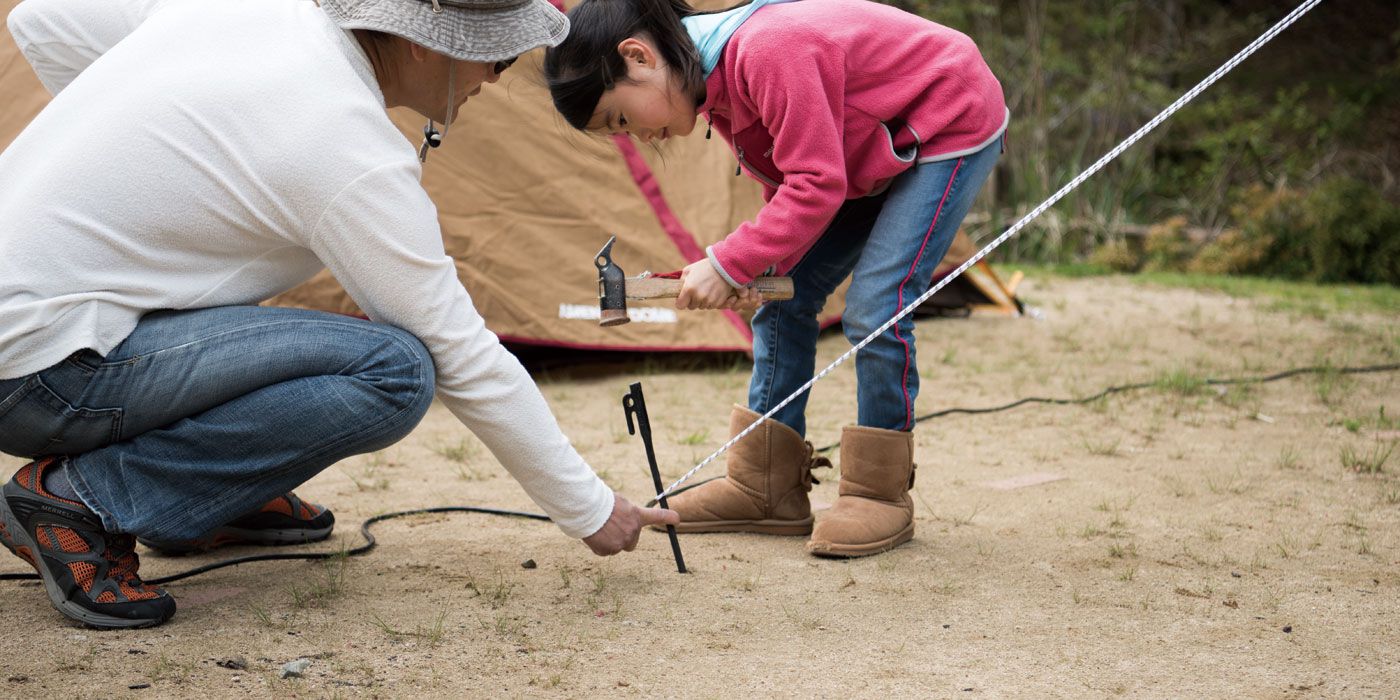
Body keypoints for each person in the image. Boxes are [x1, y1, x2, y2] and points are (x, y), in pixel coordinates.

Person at [0, 0, 677, 630]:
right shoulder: (343, 143)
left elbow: (43, 19)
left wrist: (137, 171)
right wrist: (588, 509)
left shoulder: (254, 14)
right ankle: (83, 500)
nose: (498, 78)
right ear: (419, 44)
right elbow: (461, 353)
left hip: (37, 332)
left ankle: (210, 496)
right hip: (43, 371)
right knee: (397, 371)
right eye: (493, 56)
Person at [544, 0, 1006, 557]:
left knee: (878, 306)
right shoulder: (712, 85)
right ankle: (764, 485)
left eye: (622, 118)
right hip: (865, 148)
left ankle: (880, 494)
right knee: (785, 298)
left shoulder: (768, 49)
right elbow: (790, 178)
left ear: (638, 57)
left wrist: (729, 261)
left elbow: (815, 183)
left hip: (945, 118)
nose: (642, 137)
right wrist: (765, 267)